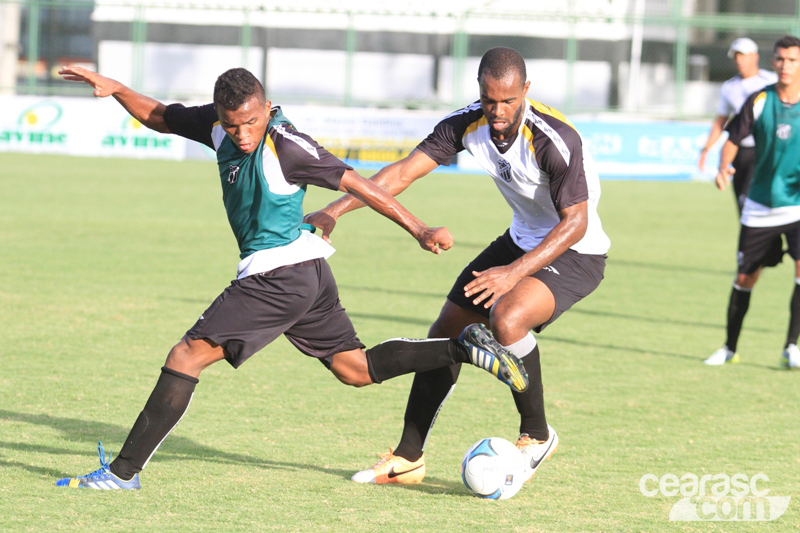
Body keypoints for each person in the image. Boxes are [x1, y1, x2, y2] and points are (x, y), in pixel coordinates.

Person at [53, 65, 530, 490]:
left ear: (268, 107)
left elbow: (358, 182)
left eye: (252, 123)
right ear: (222, 115)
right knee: (354, 369)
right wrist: (116, 87)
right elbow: (162, 116)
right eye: (233, 124)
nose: (242, 135)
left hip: (276, 277)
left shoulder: (288, 146)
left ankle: (121, 473)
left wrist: (419, 228)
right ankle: (462, 347)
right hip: (307, 272)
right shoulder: (220, 125)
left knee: (186, 355)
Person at [304, 47, 611, 486]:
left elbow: (576, 222)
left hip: (575, 251)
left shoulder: (554, 139)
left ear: (526, 90)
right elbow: (403, 173)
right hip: (520, 241)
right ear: (480, 92)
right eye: (490, 100)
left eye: (508, 100)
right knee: (445, 332)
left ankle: (537, 435)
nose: (498, 111)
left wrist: (514, 272)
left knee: (507, 319)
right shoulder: (465, 124)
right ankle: (409, 457)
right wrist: (335, 210)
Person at [705, 35, 800, 369]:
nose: (785, 66)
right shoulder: (760, 99)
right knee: (746, 278)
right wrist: (722, 165)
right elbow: (734, 136)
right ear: (773, 62)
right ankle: (730, 347)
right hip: (761, 205)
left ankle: (791, 346)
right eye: (781, 59)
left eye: (792, 60)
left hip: (798, 206)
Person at [698, 37, 777, 213]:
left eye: (743, 55)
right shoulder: (729, 87)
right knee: (742, 203)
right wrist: (706, 149)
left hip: (767, 149)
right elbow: (721, 121)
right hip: (740, 150)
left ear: (755, 57)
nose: (739, 60)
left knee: (760, 203)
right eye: (735, 56)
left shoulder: (772, 81)